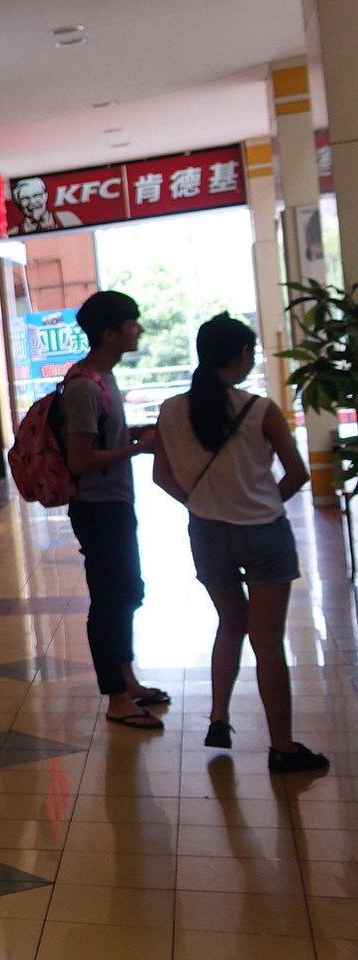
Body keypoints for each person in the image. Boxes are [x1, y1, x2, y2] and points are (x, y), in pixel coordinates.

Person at [153, 315, 329, 773]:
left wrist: (201, 502)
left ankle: (219, 717)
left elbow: (161, 476)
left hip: (207, 534)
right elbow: (297, 474)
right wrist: (263, 503)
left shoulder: (171, 409)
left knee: (230, 623)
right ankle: (283, 748)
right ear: (242, 355)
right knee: (268, 642)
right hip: (262, 534)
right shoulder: (260, 409)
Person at [60, 290, 166, 728]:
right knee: (109, 601)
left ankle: (127, 679)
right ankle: (117, 699)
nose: (138, 329)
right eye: (131, 322)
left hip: (114, 503)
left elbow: (102, 441)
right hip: (98, 508)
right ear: (109, 333)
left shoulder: (103, 378)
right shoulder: (85, 385)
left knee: (125, 593)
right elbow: (80, 460)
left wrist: (131, 437)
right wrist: (136, 448)